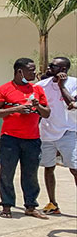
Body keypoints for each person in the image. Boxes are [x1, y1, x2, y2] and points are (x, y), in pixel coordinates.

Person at [0, 58, 51, 219]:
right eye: (30, 70)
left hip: (32, 139)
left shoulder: (37, 90)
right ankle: (6, 205)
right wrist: (16, 109)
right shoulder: (4, 89)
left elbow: (46, 113)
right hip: (10, 139)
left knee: (30, 174)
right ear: (19, 72)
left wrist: (37, 106)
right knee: (7, 173)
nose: (34, 72)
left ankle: (31, 206)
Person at [37, 57, 77, 215]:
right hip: (47, 133)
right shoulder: (41, 86)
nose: (48, 68)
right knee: (48, 168)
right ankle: (53, 204)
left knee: (75, 169)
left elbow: (71, 103)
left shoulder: (74, 83)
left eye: (53, 66)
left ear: (63, 70)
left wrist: (61, 86)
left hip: (68, 132)